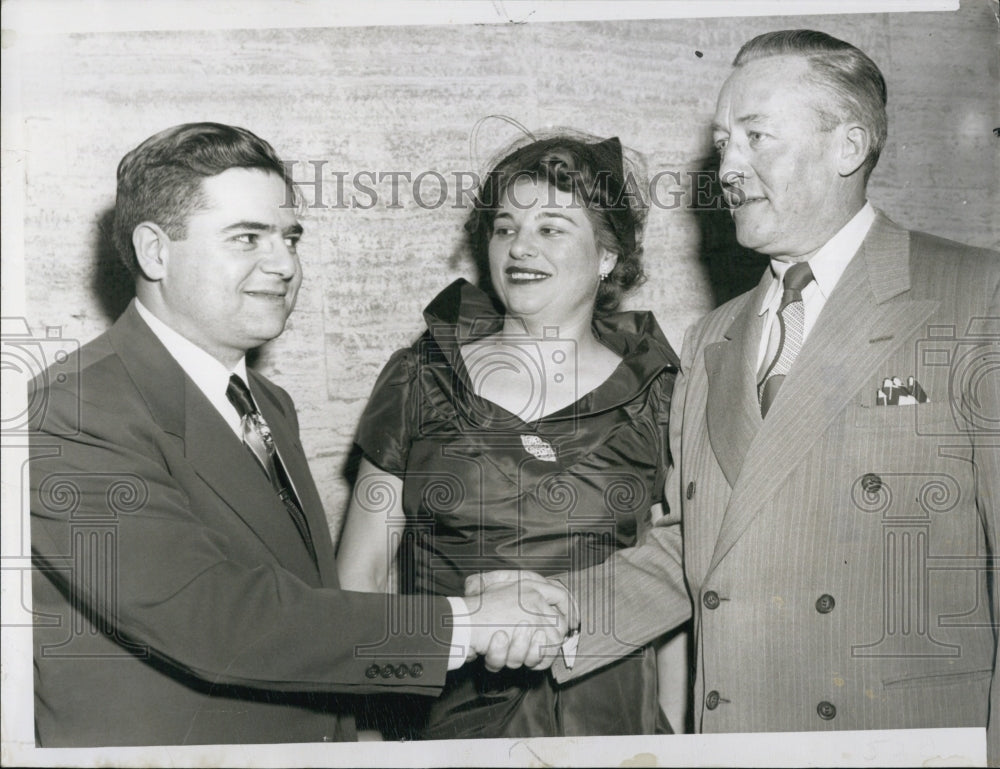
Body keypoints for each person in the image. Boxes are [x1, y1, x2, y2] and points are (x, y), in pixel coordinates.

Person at [482, 29, 999, 759]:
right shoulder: (713, 337)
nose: (727, 168)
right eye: (724, 143)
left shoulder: (975, 298)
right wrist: (553, 607)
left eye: (756, 137)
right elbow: (695, 548)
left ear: (848, 146)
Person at [28, 122, 572, 747]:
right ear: (155, 251)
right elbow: (213, 620)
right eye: (247, 238)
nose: (285, 264)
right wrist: (467, 624)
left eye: (290, 238)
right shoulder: (70, 411)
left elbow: (306, 605)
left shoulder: (266, 402)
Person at [337, 133, 681, 738]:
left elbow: (673, 580)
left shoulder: (660, 392)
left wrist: (675, 737)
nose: (520, 247)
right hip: (447, 728)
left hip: (613, 729)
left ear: (607, 256)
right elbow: (358, 581)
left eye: (551, 228)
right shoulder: (421, 378)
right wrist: (374, 739)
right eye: (505, 227)